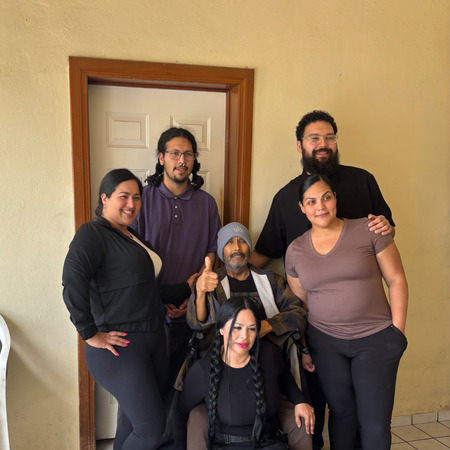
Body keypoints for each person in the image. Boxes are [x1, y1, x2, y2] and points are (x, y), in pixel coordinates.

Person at [249, 110, 396, 449]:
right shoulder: (286, 198)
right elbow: (264, 253)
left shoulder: (362, 181)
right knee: (321, 404)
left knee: (367, 414)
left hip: (370, 330)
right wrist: (226, 276)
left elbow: (386, 233)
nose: (323, 144)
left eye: (329, 137)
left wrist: (396, 331)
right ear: (300, 145)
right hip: (317, 333)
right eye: (314, 138)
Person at [285, 174, 408, 450]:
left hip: (376, 339)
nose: (320, 207)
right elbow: (302, 302)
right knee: (342, 413)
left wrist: (397, 333)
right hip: (325, 343)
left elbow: (397, 280)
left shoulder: (369, 230)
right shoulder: (296, 250)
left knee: (374, 424)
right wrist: (305, 348)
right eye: (311, 201)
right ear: (302, 208)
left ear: (335, 199)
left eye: (326, 198)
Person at [62, 169, 179, 450]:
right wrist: (89, 333)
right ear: (104, 198)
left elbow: (146, 290)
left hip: (152, 339)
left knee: (131, 423)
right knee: (151, 429)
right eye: (123, 196)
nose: (131, 204)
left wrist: (189, 287)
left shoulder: (131, 237)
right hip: (120, 347)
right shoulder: (93, 233)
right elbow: (72, 280)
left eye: (136, 197)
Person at [184, 222, 313, 450]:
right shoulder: (211, 280)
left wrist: (267, 326)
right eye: (229, 242)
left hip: (268, 363)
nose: (236, 247)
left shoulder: (271, 280)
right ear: (221, 250)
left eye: (242, 241)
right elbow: (197, 324)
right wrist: (201, 292)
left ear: (250, 248)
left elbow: (298, 313)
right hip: (223, 364)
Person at [131, 127, 221, 438]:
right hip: (148, 314)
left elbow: (212, 252)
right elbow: (132, 257)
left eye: (188, 154)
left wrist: (192, 296)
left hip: (191, 314)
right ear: (161, 158)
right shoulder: (142, 199)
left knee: (180, 391)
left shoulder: (207, 203)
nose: (182, 160)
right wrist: (161, 300)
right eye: (174, 153)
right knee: (142, 392)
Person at [175, 296, 314, 450]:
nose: (244, 336)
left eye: (252, 329)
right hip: (227, 445)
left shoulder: (269, 354)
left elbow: (285, 379)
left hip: (268, 443)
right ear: (221, 329)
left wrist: (300, 401)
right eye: (237, 327)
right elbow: (182, 412)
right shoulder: (203, 370)